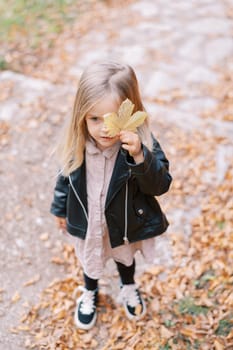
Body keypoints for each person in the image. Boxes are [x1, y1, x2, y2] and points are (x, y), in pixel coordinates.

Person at [50, 61, 172, 330]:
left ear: (132, 112)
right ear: (81, 115)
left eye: (113, 118)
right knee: (91, 256)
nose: (104, 128)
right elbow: (64, 180)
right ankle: (89, 290)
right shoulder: (77, 145)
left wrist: (140, 156)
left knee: (124, 256)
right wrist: (59, 209)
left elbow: (160, 185)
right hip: (90, 220)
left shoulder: (142, 144)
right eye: (95, 118)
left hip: (123, 221)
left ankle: (128, 285)